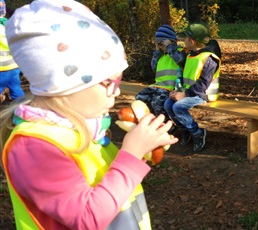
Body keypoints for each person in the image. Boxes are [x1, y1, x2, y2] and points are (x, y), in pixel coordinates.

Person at [0, 0, 178, 229]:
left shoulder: (83, 127)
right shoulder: (34, 147)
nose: (117, 91)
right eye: (109, 82)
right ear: (63, 85)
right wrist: (131, 154)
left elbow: (103, 179)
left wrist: (142, 149)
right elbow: (87, 218)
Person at [164, 23, 221, 152]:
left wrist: (184, 95)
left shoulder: (208, 58)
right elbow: (186, 78)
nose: (183, 41)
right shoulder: (190, 55)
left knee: (177, 106)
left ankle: (197, 132)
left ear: (191, 41)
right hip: (189, 92)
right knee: (168, 104)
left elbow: (203, 84)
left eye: (184, 39)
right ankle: (186, 129)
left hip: (203, 94)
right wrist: (177, 91)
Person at [135, 24, 187, 134]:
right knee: (140, 98)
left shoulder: (180, 52)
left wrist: (169, 46)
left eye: (162, 42)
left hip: (172, 88)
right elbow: (154, 68)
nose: (161, 45)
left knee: (157, 102)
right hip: (158, 86)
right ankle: (152, 122)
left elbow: (181, 60)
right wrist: (157, 52)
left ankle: (169, 127)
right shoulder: (162, 56)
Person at [0, 0, 24, 103]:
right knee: (16, 90)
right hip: (14, 66)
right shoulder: (10, 25)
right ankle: (23, 111)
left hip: (1, 68)